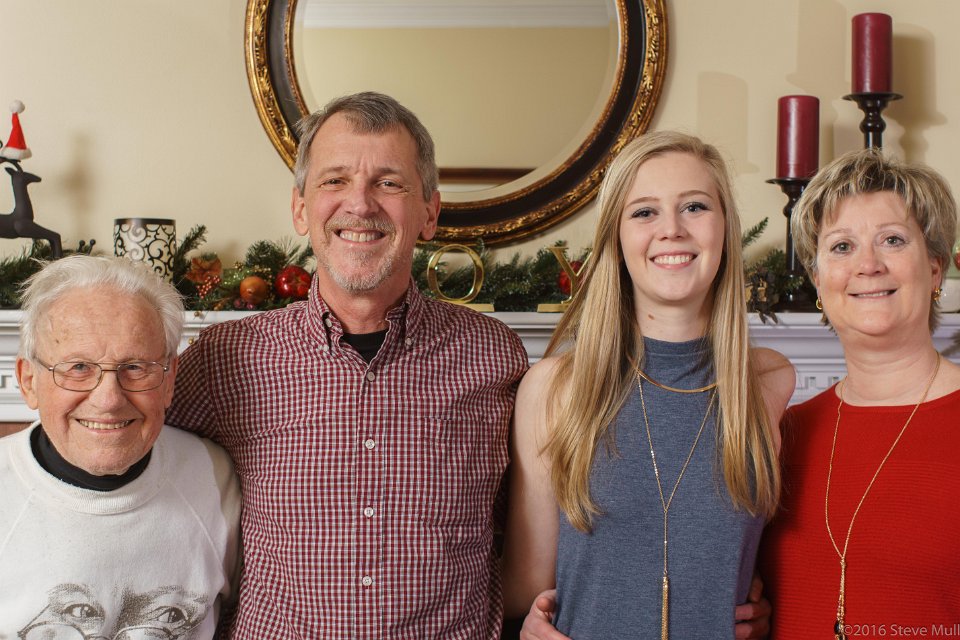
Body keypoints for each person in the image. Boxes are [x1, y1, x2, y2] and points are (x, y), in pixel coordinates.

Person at [165, 92, 529, 638]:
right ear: (300, 209)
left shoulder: (494, 355)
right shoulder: (227, 357)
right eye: (335, 180)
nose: (359, 204)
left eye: (389, 183)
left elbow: (544, 521)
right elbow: (128, 454)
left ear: (430, 212)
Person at [501, 131, 795, 639]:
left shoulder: (769, 383)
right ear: (616, 239)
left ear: (725, 228)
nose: (672, 230)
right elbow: (527, 584)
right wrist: (527, 628)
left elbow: (779, 559)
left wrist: (771, 607)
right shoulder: (554, 389)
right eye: (644, 212)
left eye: (695, 207)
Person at [758, 149, 960, 637]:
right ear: (818, 280)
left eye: (892, 240)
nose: (867, 265)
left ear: (935, 269)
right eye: (842, 246)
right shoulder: (782, 433)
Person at [0, 255, 240, 639]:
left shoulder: (216, 477)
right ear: (29, 381)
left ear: (169, 380)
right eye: (78, 368)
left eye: (135, 367)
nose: (109, 400)